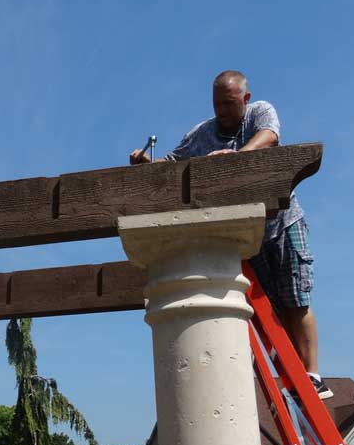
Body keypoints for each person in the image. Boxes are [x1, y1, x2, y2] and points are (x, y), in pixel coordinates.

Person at [130, 70, 331, 399]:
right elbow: (172, 163)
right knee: (269, 307)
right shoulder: (202, 134)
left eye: (228, 103)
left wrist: (236, 157)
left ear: (245, 98)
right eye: (217, 104)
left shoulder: (260, 112)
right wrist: (146, 165)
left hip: (283, 222)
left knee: (296, 299)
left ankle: (311, 375)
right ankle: (292, 374)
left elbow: (269, 136)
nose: (222, 110)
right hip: (250, 235)